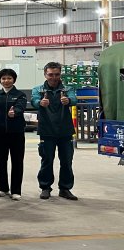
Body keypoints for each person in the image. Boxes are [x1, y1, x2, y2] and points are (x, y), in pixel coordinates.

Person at [32, 62, 78, 200]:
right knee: (47, 160)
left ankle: (65, 188)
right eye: (50, 74)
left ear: (60, 74)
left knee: (67, 161)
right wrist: (40, 103)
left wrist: (68, 100)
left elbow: (74, 99)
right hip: (46, 130)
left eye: (57, 74)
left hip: (65, 130)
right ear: (45, 74)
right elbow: (34, 100)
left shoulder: (67, 89)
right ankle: (45, 187)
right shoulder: (39, 90)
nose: (54, 77)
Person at [0, 68, 28, 201]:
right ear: (0, 80)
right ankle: (3, 187)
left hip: (16, 133)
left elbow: (21, 107)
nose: (6, 81)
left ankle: (16, 190)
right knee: (1, 161)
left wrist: (15, 112)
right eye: (3, 78)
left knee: (17, 161)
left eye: (9, 78)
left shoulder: (20, 95)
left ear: (14, 80)